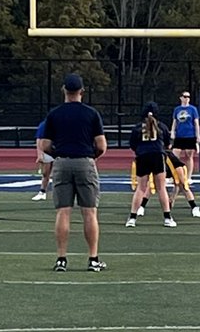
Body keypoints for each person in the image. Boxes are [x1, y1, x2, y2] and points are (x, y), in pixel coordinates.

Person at [37, 74, 108, 272]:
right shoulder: (91, 114)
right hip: (85, 161)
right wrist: (90, 156)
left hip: (62, 162)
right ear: (82, 92)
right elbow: (102, 145)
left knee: (63, 211)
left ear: (64, 91)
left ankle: (61, 258)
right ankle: (93, 258)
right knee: (90, 212)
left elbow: (44, 145)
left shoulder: (54, 114)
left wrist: (58, 152)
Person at [125, 103, 176, 228]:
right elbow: (168, 144)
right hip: (157, 156)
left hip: (142, 156)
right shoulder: (161, 126)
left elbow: (132, 145)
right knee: (161, 188)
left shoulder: (137, 128)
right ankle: (167, 218)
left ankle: (132, 218)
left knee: (140, 188)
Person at [135, 150, 200, 219]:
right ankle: (142, 206)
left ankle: (194, 207)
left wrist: (173, 198)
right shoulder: (153, 159)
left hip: (175, 168)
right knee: (151, 185)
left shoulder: (169, 160)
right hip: (161, 168)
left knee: (183, 186)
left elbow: (177, 183)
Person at [170, 91, 200, 184]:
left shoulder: (193, 109)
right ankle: (174, 176)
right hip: (179, 135)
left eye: (188, 96)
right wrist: (172, 132)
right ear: (181, 98)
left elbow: (196, 123)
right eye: (185, 96)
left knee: (189, 156)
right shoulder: (177, 109)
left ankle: (188, 177)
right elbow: (174, 122)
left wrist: (198, 136)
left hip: (190, 135)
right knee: (175, 156)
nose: (187, 98)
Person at [33, 121, 54, 201]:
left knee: (59, 173)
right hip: (47, 151)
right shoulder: (44, 124)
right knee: (45, 173)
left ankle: (59, 193)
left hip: (59, 150)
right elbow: (39, 139)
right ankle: (42, 192)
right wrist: (40, 153)